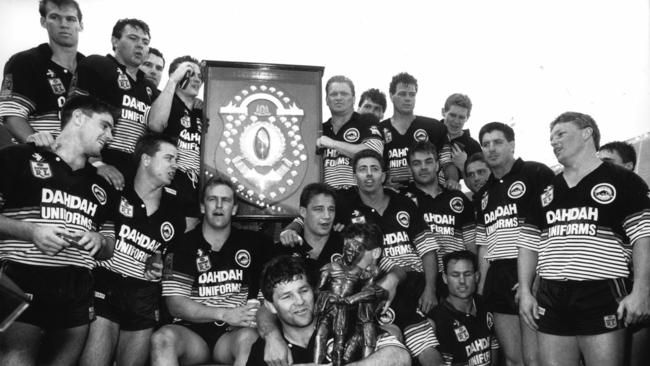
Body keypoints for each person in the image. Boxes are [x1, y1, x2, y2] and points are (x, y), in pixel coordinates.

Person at [518, 112, 650, 366]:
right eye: (551, 137)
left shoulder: (623, 180)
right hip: (552, 293)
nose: (553, 141)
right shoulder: (547, 190)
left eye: (560, 134)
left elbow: (644, 236)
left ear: (587, 133)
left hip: (600, 290)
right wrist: (525, 291)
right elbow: (527, 243)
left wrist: (642, 289)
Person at [0, 95, 119, 366]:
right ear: (78, 117)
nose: (109, 136)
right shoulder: (17, 157)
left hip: (77, 289)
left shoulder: (103, 186)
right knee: (15, 359)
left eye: (112, 130)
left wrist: (99, 240)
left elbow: (109, 248)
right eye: (104, 126)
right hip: (20, 279)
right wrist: (30, 232)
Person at [79, 133, 185, 366]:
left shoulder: (175, 213)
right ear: (146, 160)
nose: (174, 165)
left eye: (176, 160)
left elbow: (168, 261)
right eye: (168, 158)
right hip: (105, 285)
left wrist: (160, 267)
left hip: (143, 296)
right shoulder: (115, 190)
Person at [150, 177, 268, 366]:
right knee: (162, 338)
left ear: (235, 208)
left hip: (232, 333)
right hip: (192, 333)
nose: (219, 205)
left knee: (250, 339)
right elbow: (175, 304)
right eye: (212, 199)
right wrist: (223, 313)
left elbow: (273, 285)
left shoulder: (253, 243)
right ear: (203, 207)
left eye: (226, 200)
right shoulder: (183, 244)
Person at [475, 121, 554, 366]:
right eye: (485, 144)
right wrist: (481, 289)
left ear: (512, 144)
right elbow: (486, 245)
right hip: (499, 275)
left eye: (498, 142)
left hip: (530, 271)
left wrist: (535, 276)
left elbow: (552, 227)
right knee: (513, 358)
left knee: (535, 359)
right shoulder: (483, 193)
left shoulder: (535, 173)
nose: (491, 149)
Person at [247, 254, 411, 366]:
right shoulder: (267, 351)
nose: (300, 301)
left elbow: (400, 356)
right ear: (270, 306)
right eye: (287, 297)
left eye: (304, 291)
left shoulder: (342, 322)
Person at [70, 18, 156, 190]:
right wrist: (96, 163)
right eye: (133, 38)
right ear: (115, 41)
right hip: (99, 167)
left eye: (145, 42)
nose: (140, 45)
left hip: (135, 173)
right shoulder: (97, 64)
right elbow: (73, 115)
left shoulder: (149, 88)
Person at [0, 0, 84, 143]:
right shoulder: (25, 62)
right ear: (43, 22)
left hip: (82, 159)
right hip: (40, 159)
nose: (63, 24)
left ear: (80, 25)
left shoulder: (90, 67)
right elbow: (12, 117)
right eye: (55, 17)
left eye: (70, 19)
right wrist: (43, 147)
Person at [402, 141, 476, 299]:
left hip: (456, 281)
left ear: (437, 165)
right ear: (409, 169)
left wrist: (475, 275)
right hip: (421, 282)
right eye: (416, 163)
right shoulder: (402, 200)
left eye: (428, 162)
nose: (423, 167)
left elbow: (471, 242)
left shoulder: (457, 197)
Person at [598, 140, 648, 366]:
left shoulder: (641, 202)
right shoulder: (597, 203)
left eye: (607, 162)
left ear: (628, 166)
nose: (600, 168)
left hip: (637, 296)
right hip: (604, 299)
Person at [148, 55, 203, 230]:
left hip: (194, 190)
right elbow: (156, 124)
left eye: (199, 76)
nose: (196, 79)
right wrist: (172, 81)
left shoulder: (201, 112)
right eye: (189, 73)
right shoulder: (165, 102)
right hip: (168, 186)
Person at [380, 72, 458, 189]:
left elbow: (446, 162)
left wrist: (452, 180)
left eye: (412, 94)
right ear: (391, 95)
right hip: (393, 198)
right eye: (402, 94)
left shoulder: (434, 127)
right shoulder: (379, 130)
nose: (407, 99)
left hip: (428, 196)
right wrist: (383, 181)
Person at [428, 250, 499, 366]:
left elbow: (493, 346)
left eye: (467, 274)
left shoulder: (485, 305)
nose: (462, 281)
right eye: (455, 275)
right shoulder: (437, 319)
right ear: (445, 278)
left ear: (476, 276)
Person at [319, 75, 384, 190]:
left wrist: (332, 143)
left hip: (358, 196)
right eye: (333, 94)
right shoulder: (320, 129)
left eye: (344, 94)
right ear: (326, 100)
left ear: (354, 99)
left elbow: (374, 152)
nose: (338, 98)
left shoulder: (366, 120)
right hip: (327, 199)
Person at [440, 93, 482, 180]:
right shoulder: (428, 133)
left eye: (461, 117)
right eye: (452, 115)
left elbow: (480, 182)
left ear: (467, 118)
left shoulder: (473, 146)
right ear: (443, 112)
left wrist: (464, 166)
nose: (456, 121)